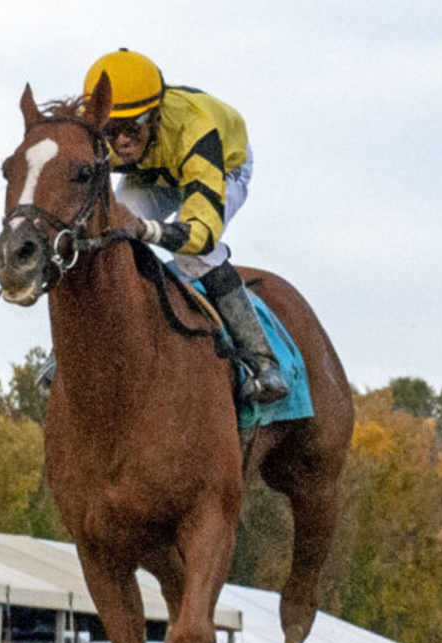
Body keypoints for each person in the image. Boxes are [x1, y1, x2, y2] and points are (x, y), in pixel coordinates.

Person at [50, 48, 288, 405]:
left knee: (194, 255)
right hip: (151, 172)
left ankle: (262, 362)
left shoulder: (197, 128)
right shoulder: (99, 135)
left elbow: (200, 232)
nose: (122, 141)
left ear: (157, 115)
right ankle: (64, 354)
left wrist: (146, 229)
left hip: (221, 165)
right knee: (109, 238)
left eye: (132, 128)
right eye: (111, 131)